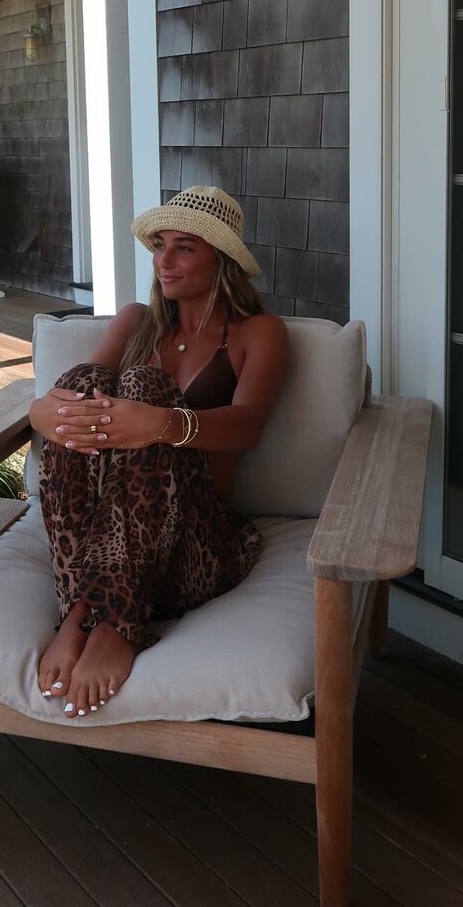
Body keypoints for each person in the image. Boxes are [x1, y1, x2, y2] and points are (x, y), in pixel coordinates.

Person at [29, 185, 288, 719]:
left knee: (144, 387)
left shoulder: (257, 332)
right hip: (101, 547)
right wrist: (40, 413)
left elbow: (248, 427)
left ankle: (113, 626)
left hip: (195, 550)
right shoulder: (135, 322)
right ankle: (83, 613)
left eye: (184, 248)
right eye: (159, 245)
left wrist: (161, 424)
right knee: (83, 379)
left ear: (222, 261)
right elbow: (69, 401)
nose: (163, 261)